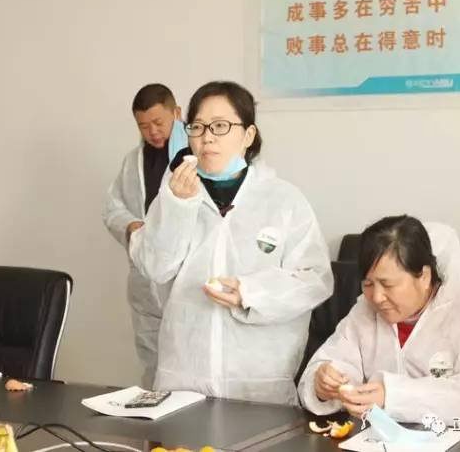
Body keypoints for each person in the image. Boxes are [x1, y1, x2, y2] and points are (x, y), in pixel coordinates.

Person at [129, 81, 333, 405]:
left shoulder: (283, 200)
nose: (207, 137)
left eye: (220, 126)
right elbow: (155, 267)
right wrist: (177, 208)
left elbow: (314, 280)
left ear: (248, 135)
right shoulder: (175, 193)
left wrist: (250, 293)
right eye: (198, 127)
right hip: (184, 377)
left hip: (259, 385)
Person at [298, 215, 460, 432]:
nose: (376, 297)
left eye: (387, 285)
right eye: (368, 284)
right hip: (394, 439)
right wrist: (324, 384)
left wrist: (391, 395)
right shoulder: (365, 311)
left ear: (424, 276)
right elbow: (337, 361)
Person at [102, 83, 181, 388]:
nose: (153, 132)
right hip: (145, 283)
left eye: (158, 122)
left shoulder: (197, 156)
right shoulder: (133, 161)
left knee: (188, 366)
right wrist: (131, 225)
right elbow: (113, 207)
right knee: (152, 365)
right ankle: (153, 417)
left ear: (177, 113)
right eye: (143, 126)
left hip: (183, 280)